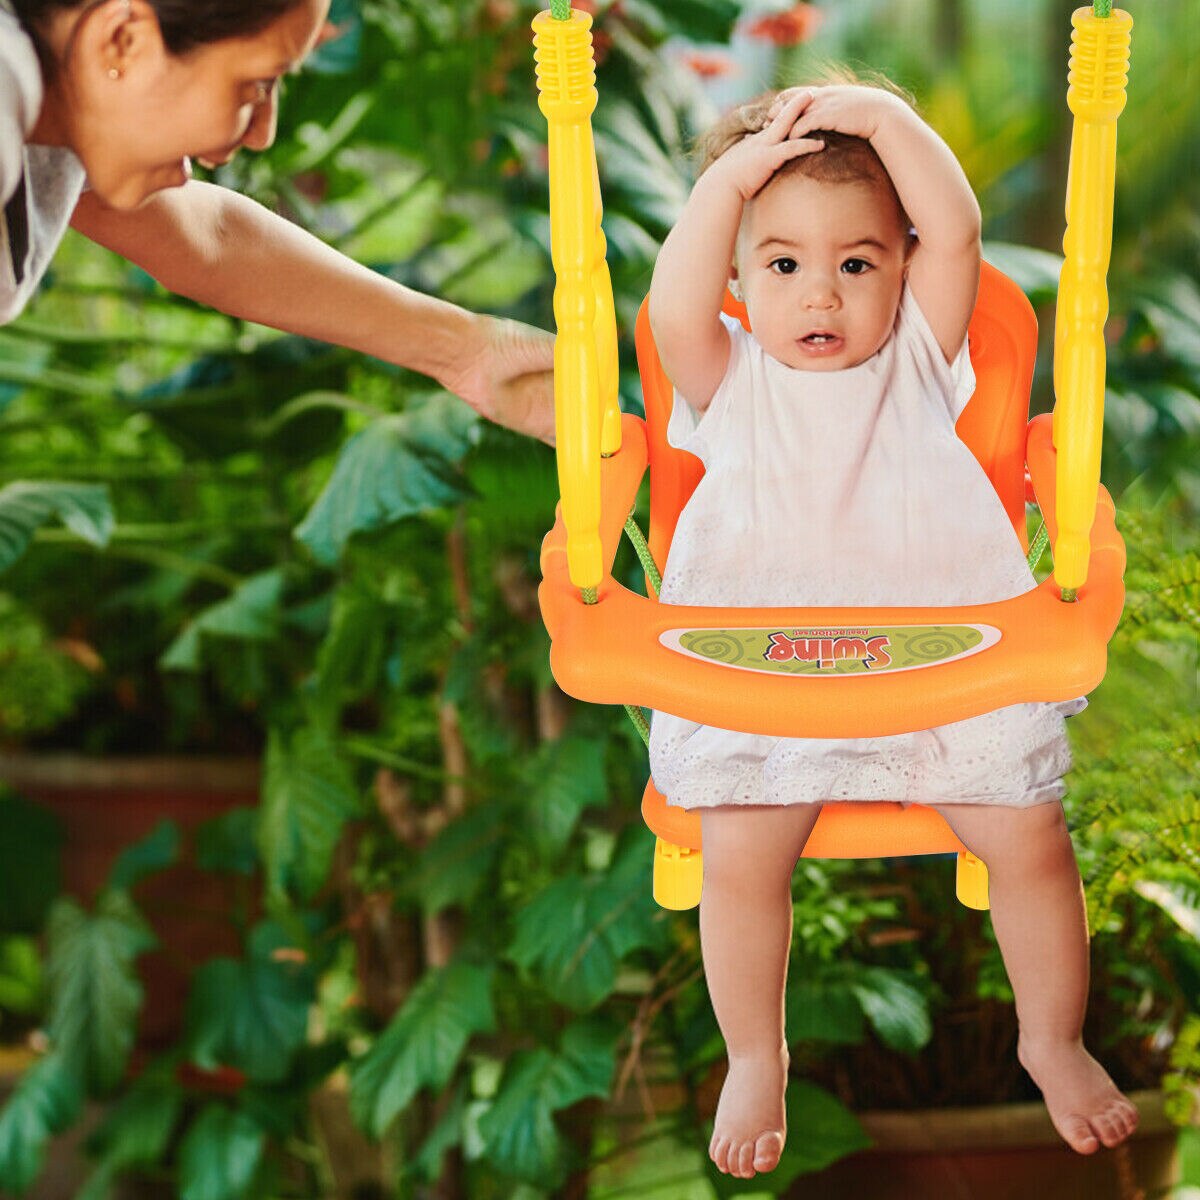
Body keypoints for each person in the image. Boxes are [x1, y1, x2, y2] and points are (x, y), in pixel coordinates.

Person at [646, 77, 1139, 1180]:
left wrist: (885, 121)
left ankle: (1051, 1041)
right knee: (738, 859)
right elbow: (674, 303)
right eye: (782, 265)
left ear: (903, 268)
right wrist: (728, 179)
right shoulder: (728, 381)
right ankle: (755, 1054)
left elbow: (957, 223)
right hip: (769, 684)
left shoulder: (919, 361)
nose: (820, 294)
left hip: (940, 677)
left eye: (857, 263)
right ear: (738, 277)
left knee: (1029, 839)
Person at [0, 0, 555, 442]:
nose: (261, 132)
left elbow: (209, 241)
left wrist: (469, 352)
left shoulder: (58, 96)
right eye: (256, 85)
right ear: (123, 39)